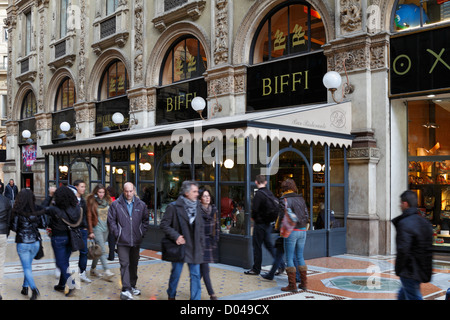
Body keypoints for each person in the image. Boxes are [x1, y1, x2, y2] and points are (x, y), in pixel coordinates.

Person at [160, 180, 205, 300]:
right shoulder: (173, 207)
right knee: (176, 274)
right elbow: (164, 224)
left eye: (197, 191)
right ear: (186, 193)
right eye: (194, 191)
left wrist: (202, 245)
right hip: (179, 247)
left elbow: (200, 228)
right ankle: (171, 294)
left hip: (194, 247)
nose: (197, 194)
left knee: (195, 275)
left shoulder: (198, 207)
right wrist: (176, 236)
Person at [107, 182, 149, 300]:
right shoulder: (116, 204)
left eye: (131, 191)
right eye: (126, 191)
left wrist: (141, 233)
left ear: (134, 191)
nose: (128, 193)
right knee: (124, 264)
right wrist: (118, 233)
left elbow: (145, 221)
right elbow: (111, 222)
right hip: (122, 241)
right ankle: (126, 289)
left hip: (136, 240)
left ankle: (132, 285)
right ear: (123, 191)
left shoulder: (141, 205)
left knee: (134, 264)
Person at [392, 190, 433, 300]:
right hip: (418, 270)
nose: (400, 205)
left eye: (401, 203)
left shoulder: (404, 223)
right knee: (403, 295)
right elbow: (428, 249)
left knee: (414, 296)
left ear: (405, 204)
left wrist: (398, 269)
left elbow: (403, 250)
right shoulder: (425, 223)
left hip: (409, 271)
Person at [43, 186, 82, 297]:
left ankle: (72, 284)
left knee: (60, 263)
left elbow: (42, 208)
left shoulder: (55, 209)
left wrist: (50, 195)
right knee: (64, 262)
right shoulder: (76, 208)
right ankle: (61, 285)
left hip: (58, 238)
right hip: (71, 238)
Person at [9, 189, 47, 300]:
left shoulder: (17, 210)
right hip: (35, 242)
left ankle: (34, 289)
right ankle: (25, 287)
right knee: (28, 266)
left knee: (26, 267)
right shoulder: (36, 209)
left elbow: (14, 228)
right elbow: (43, 224)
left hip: (23, 242)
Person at [279, 178, 309, 292]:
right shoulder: (301, 198)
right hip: (302, 230)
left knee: (289, 258)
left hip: (291, 231)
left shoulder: (284, 200)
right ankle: (304, 283)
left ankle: (292, 285)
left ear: (284, 188)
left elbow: (282, 217)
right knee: (300, 256)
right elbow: (306, 215)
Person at [245, 175, 278, 276]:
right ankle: (280, 264)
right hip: (268, 224)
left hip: (259, 224)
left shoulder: (258, 194)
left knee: (257, 246)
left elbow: (254, 210)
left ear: (256, 182)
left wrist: (254, 218)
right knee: (269, 245)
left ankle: (256, 269)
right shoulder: (269, 193)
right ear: (266, 182)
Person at [86, 184, 114, 281]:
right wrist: (90, 231)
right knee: (102, 249)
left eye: (103, 192)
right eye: (99, 192)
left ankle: (93, 269)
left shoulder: (107, 201)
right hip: (96, 228)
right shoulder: (92, 201)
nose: (101, 194)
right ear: (96, 192)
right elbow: (89, 216)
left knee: (98, 250)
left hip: (106, 229)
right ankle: (107, 270)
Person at [199, 189, 219, 300]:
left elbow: (217, 227)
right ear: (200, 199)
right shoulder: (197, 210)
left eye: (208, 196)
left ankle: (194, 286)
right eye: (205, 196)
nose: (207, 198)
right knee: (205, 269)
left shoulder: (214, 210)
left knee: (202, 271)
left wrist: (215, 239)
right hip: (200, 243)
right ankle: (212, 294)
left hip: (209, 243)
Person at [70, 180, 91, 283]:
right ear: (76, 187)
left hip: (82, 229)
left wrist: (87, 227)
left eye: (84, 187)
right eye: (81, 186)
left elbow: (87, 215)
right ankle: (61, 268)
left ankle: (82, 272)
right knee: (68, 251)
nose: (83, 189)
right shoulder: (71, 201)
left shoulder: (83, 201)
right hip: (72, 230)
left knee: (84, 252)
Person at [0, 190, 11, 300]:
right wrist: (6, 233)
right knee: (0, 263)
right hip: (2, 233)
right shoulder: (7, 201)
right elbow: (9, 220)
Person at [106, 186, 117, 261]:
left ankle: (111, 255)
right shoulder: (116, 200)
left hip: (110, 222)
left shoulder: (108, 201)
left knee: (111, 239)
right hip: (117, 222)